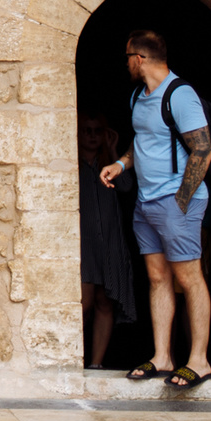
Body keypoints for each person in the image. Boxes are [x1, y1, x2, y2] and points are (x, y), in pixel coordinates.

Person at [96, 29, 211, 389]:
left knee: (188, 277)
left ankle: (199, 360)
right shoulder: (139, 97)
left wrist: (181, 201)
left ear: (139, 58)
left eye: (127, 57)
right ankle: (162, 356)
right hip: (147, 202)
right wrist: (121, 163)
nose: (127, 64)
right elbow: (145, 140)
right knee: (158, 277)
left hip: (176, 202)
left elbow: (203, 150)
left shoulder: (180, 95)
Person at [78, 114, 139, 368]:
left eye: (97, 131)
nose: (92, 136)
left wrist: (114, 152)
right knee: (84, 301)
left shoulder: (108, 164)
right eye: (87, 131)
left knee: (105, 301)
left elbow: (126, 188)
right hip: (85, 243)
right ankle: (73, 359)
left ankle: (96, 364)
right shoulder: (74, 164)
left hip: (110, 242)